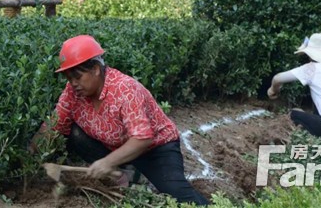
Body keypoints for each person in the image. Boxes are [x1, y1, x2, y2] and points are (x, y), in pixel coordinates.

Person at [30, 35, 209, 206]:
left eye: (77, 77)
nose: (73, 84)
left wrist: (107, 162)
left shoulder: (125, 90)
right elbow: (53, 126)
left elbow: (143, 139)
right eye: (69, 79)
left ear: (96, 69)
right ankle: (129, 176)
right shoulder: (72, 93)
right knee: (75, 134)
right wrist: (28, 157)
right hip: (115, 148)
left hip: (155, 150)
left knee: (176, 193)